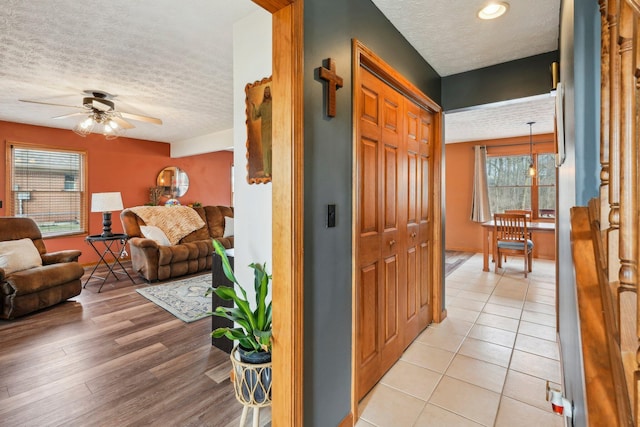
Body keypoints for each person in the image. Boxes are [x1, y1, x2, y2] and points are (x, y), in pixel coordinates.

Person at [251, 85, 272, 177]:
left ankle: (274, 169)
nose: (267, 93)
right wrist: (254, 106)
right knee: (266, 149)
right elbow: (256, 116)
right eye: (265, 92)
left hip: (274, 128)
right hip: (265, 129)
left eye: (268, 91)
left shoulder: (273, 103)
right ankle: (267, 170)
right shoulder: (262, 105)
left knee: (273, 149)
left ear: (270, 92)